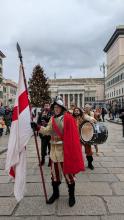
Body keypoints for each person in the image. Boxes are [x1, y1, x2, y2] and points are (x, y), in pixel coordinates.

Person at [31, 96, 85, 207]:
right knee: (54, 175)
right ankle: (56, 194)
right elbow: (47, 131)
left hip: (65, 151)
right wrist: (37, 127)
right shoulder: (52, 119)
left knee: (68, 175)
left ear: (62, 108)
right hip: (54, 151)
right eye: (54, 107)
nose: (56, 109)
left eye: (58, 107)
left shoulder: (68, 118)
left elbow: (72, 135)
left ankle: (71, 196)